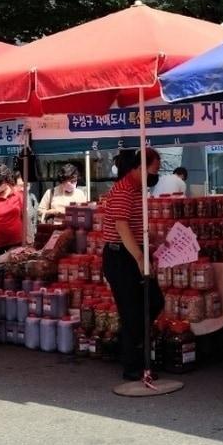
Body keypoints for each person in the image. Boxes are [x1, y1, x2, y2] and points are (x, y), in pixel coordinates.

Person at [97, 148, 166, 381]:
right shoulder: (124, 190)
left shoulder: (138, 190)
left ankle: (132, 350)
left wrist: (154, 240)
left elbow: (135, 226)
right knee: (132, 311)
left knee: (152, 301)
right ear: (139, 167)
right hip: (121, 257)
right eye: (154, 169)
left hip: (133, 252)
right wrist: (139, 256)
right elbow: (121, 226)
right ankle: (131, 365)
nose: (156, 174)